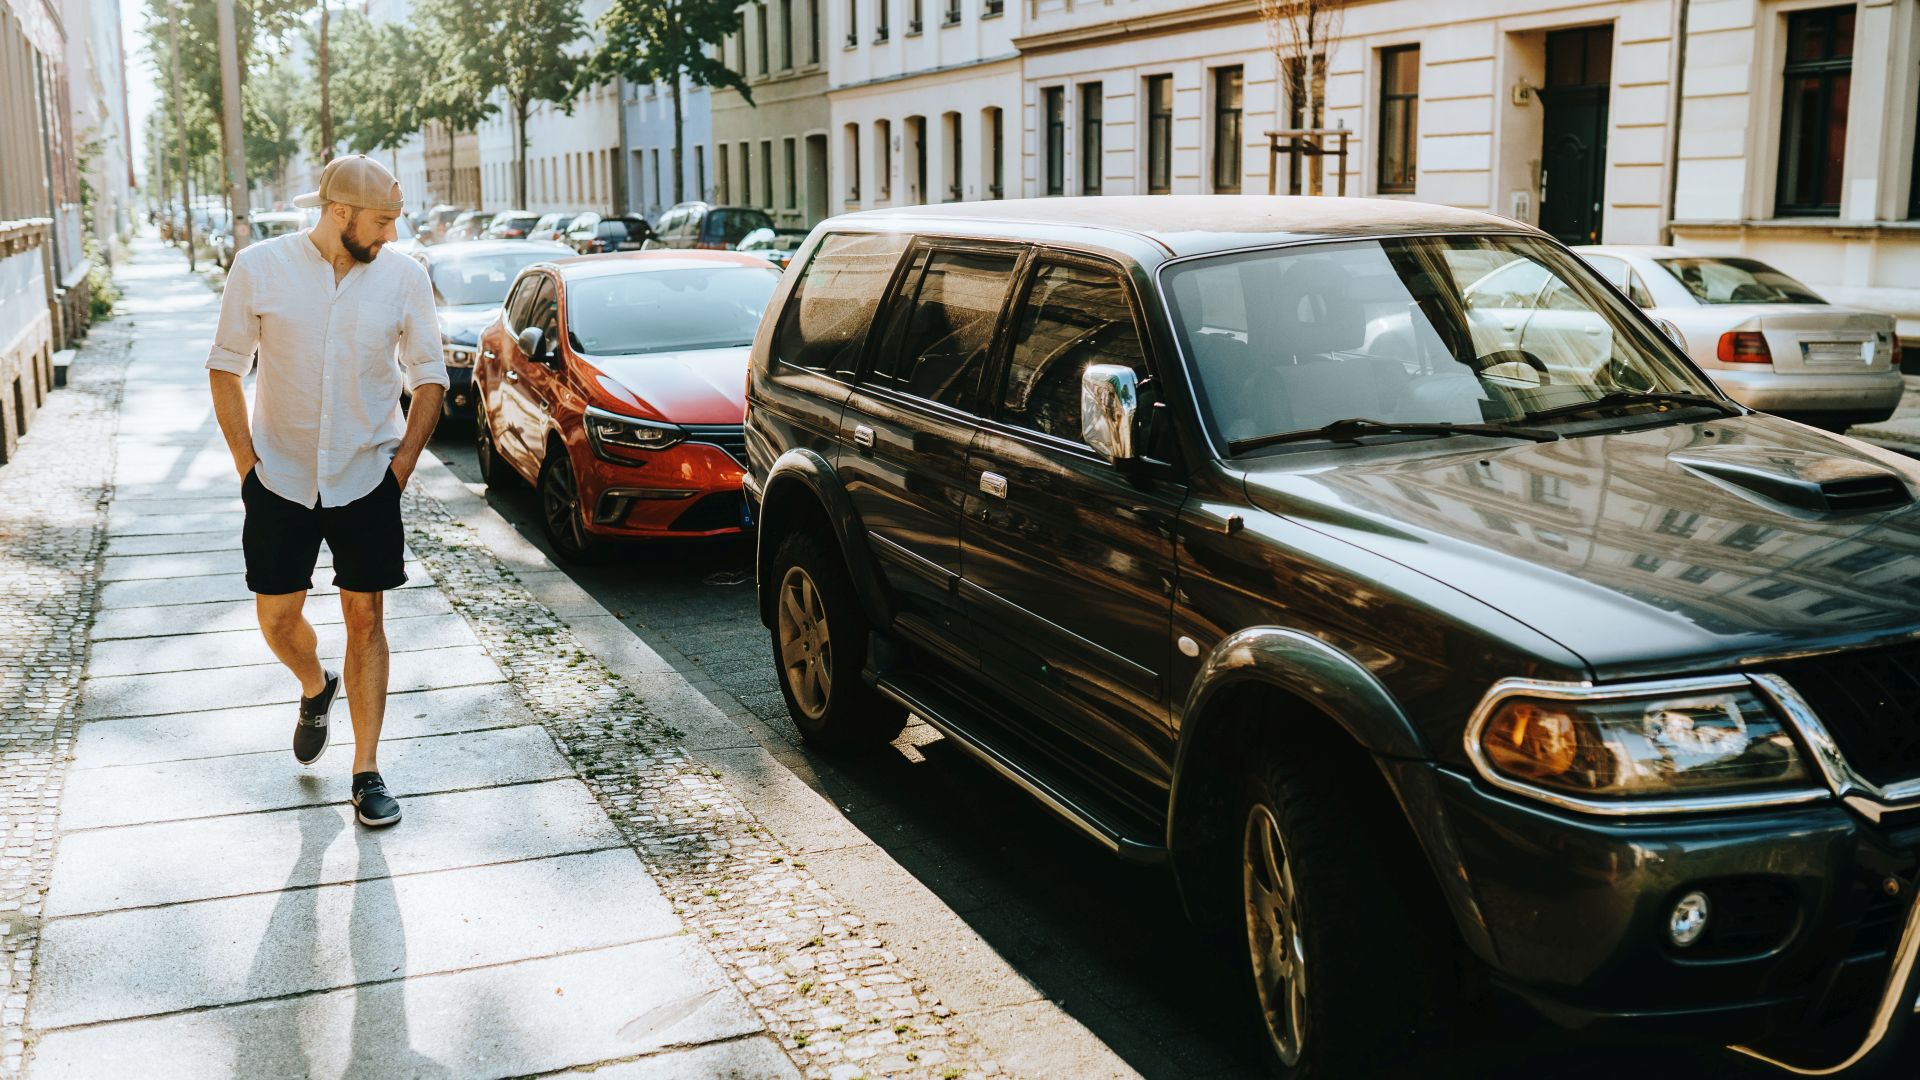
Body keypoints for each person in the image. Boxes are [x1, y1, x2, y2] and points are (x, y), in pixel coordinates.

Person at [206, 154, 447, 828]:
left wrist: (397, 473)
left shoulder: (404, 277)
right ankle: (316, 687)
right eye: (381, 221)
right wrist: (246, 466)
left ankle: (367, 770)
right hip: (278, 477)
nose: (392, 234)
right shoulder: (259, 268)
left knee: (365, 615)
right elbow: (225, 367)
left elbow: (430, 378)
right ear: (338, 213)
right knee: (278, 619)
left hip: (367, 475)